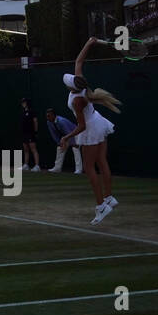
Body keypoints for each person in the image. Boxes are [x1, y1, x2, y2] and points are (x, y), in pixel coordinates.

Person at [60, 37, 121, 224]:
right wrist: (89, 42)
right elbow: (79, 61)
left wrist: (66, 137)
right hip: (98, 121)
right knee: (101, 161)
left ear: (71, 85)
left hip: (90, 126)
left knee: (89, 167)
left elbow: (82, 126)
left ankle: (101, 205)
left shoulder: (78, 100)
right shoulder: (81, 82)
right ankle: (109, 197)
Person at [45, 108, 83, 174]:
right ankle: (57, 168)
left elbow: (69, 132)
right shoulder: (49, 122)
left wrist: (73, 143)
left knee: (75, 148)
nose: (47, 117)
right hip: (66, 135)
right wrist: (59, 143)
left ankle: (79, 169)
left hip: (75, 133)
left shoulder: (61, 121)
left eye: (49, 116)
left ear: (54, 115)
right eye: (47, 116)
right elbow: (54, 134)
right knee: (59, 148)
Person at [20, 99, 41, 171]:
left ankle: (37, 166)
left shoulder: (32, 112)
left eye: (24, 102)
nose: (23, 103)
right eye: (22, 102)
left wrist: (35, 132)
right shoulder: (23, 112)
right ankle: (26, 165)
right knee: (26, 149)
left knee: (33, 149)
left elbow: (35, 121)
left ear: (27, 103)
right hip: (24, 133)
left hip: (31, 133)